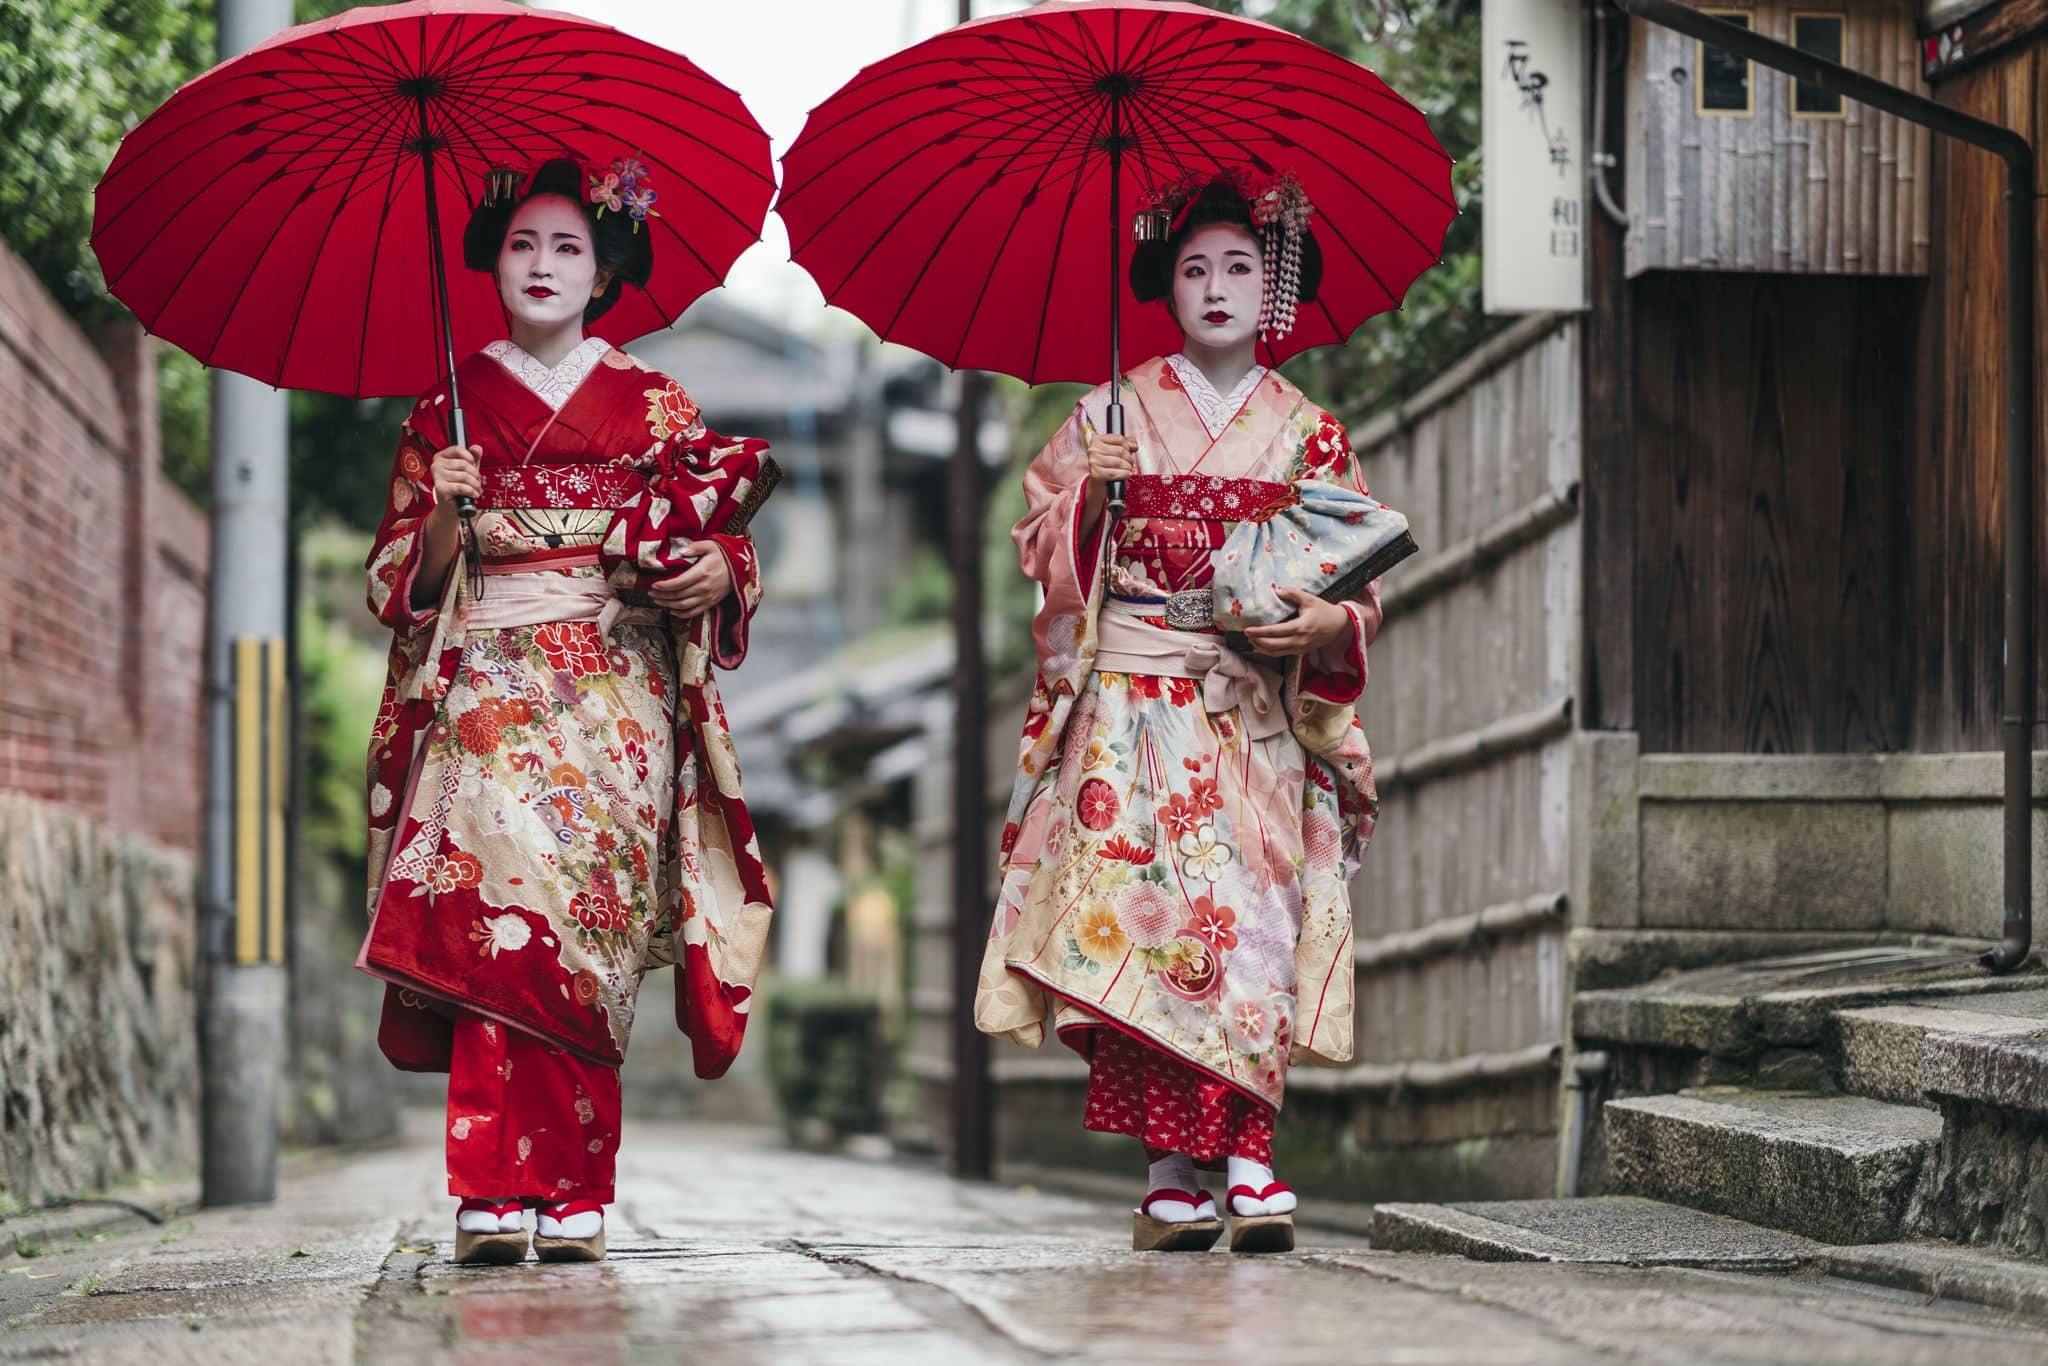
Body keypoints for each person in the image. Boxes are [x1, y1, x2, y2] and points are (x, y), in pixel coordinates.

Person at [355, 157, 774, 1265]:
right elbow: (395, 579)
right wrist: (445, 516)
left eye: (567, 248)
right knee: (498, 925)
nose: (542, 266)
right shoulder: (445, 407)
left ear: (604, 270)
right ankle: (491, 1184)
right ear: (490, 261)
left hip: (615, 684)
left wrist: (714, 573)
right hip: (489, 682)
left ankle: (577, 1181)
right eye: (523, 245)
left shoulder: (655, 401)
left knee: (581, 929)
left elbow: (717, 535)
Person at [976, 172, 1384, 1254]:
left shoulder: (1308, 432)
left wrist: (1323, 624)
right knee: (1138, 918)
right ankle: (1166, 1170)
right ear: (1165, 283)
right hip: (1126, 695)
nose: (1214, 287)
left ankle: (1249, 1159)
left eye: (1239, 267)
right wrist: (1093, 494)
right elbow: (1038, 548)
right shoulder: (1107, 412)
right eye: (1194, 267)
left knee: (1252, 923)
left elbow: (1351, 571)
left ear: (1273, 285)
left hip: (1245, 695)